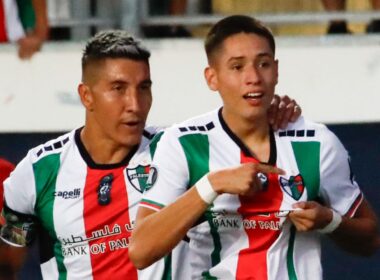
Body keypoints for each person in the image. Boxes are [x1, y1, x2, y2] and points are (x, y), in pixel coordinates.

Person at [0, 29, 301, 279]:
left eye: (144, 87)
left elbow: (240, 133)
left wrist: (270, 112)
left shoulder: (177, 150)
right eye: (118, 88)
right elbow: (8, 264)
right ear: (86, 96)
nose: (135, 103)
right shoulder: (37, 172)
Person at [129, 15, 380, 279]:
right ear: (212, 78)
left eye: (263, 64)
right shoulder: (183, 144)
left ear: (277, 70)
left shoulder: (316, 143)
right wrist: (212, 185)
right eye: (237, 67)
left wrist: (330, 221)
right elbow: (141, 251)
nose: (254, 77)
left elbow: (371, 239)